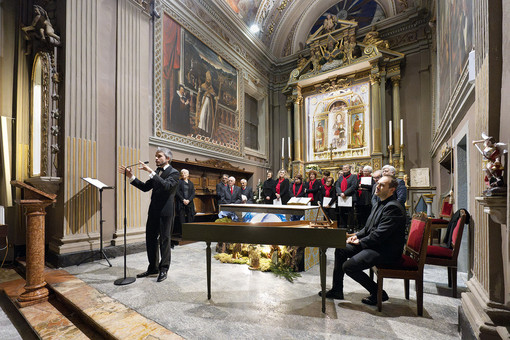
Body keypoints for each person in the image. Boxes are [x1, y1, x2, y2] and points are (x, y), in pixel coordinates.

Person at [320, 175, 406, 305]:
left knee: (349, 266)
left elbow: (380, 234)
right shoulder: (379, 203)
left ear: (392, 190)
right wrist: (357, 236)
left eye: (382, 185)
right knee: (340, 249)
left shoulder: (393, 207)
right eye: (378, 183)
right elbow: (368, 228)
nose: (377, 186)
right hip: (375, 245)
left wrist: (361, 242)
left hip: (386, 250)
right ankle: (337, 289)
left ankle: (378, 292)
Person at [118, 147, 179, 283]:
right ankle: (153, 267)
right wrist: (131, 177)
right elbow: (146, 187)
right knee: (150, 239)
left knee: (164, 240)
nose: (156, 158)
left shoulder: (174, 173)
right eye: (156, 156)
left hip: (166, 212)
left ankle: (164, 269)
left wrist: (150, 171)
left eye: (159, 156)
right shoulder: (157, 171)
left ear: (167, 158)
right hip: (153, 211)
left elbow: (166, 186)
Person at [335, 165, 358, 230]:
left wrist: (345, 193)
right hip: (341, 198)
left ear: (349, 169)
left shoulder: (353, 177)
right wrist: (340, 193)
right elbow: (337, 186)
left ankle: (350, 228)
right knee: (342, 213)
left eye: (346, 168)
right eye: (343, 168)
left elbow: (353, 186)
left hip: (350, 197)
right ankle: (343, 227)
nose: (344, 169)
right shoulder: (340, 178)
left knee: (350, 214)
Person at [197, 71, 216, 135]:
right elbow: (200, 91)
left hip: (209, 102)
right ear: (206, 79)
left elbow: (214, 94)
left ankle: (207, 131)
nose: (208, 81)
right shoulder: (203, 85)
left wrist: (215, 96)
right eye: (208, 79)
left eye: (209, 80)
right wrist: (199, 88)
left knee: (208, 116)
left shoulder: (211, 87)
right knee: (203, 115)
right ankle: (201, 129)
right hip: (204, 100)